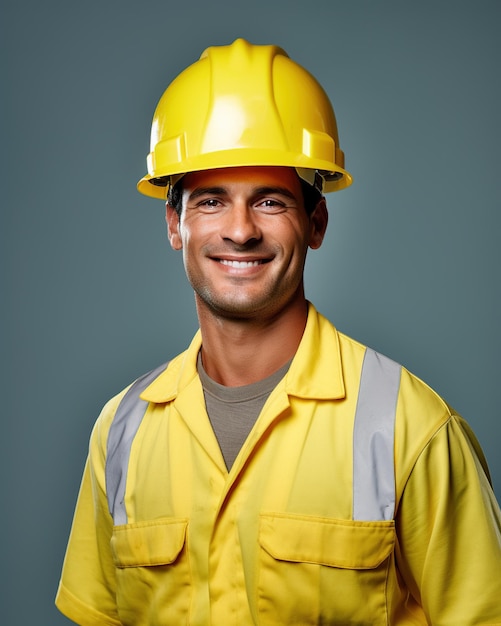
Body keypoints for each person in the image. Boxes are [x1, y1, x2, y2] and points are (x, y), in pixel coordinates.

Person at [55, 39, 501, 625]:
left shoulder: (410, 428)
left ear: (315, 222)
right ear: (175, 223)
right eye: (212, 201)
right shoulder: (121, 432)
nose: (240, 231)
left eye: (269, 202)